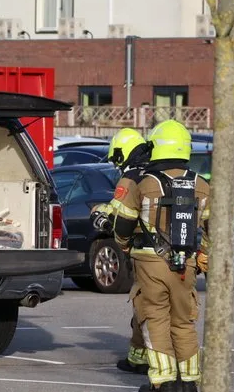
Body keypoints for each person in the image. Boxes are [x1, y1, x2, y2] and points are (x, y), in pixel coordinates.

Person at [105, 120, 210, 392]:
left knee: (156, 318)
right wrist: (203, 256)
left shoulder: (144, 183)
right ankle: (189, 382)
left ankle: (163, 382)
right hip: (186, 262)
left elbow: (124, 223)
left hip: (150, 261)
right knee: (184, 320)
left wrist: (124, 245)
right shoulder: (201, 184)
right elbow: (213, 227)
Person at [90, 128, 152, 375]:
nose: (116, 164)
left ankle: (143, 360)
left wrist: (101, 216)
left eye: (117, 158)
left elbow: (121, 214)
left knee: (145, 307)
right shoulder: (161, 174)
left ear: (122, 154)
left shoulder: (131, 178)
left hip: (145, 253)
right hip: (178, 252)